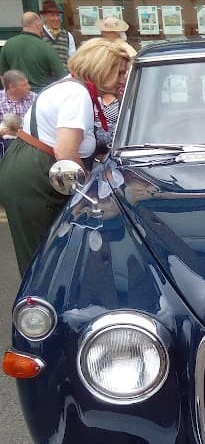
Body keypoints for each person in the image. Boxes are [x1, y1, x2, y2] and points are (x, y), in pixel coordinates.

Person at [0, 38, 131, 275]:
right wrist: (89, 186)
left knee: (44, 251)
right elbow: (66, 152)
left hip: (31, 166)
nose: (123, 78)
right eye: (119, 72)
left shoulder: (70, 86)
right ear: (100, 69)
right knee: (44, 256)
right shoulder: (77, 94)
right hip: (37, 174)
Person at [0, 12, 67, 92]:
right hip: (41, 95)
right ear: (38, 25)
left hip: (17, 96)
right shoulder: (45, 47)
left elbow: (3, 75)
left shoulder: (8, 44)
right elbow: (62, 76)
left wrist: (9, 94)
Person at [40, 0, 76, 64]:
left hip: (64, 73)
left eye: (58, 15)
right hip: (45, 74)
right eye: (52, 15)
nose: (56, 18)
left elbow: (73, 59)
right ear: (44, 16)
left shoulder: (67, 35)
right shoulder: (39, 34)